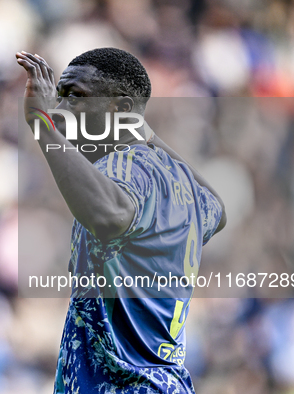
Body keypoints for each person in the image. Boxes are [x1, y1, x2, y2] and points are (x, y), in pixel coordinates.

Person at [15, 47, 226, 393]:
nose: (62, 109)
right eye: (60, 97)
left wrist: (41, 123)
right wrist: (147, 134)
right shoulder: (171, 178)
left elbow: (110, 215)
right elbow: (216, 209)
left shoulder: (123, 165)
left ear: (121, 110)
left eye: (76, 96)